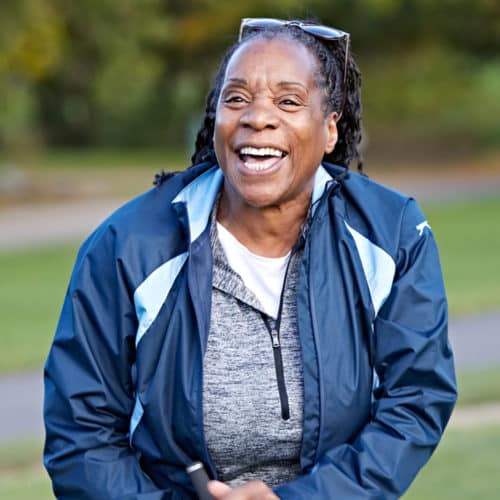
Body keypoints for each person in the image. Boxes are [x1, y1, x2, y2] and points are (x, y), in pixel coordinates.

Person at [43, 18, 457, 499]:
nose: (257, 117)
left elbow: (417, 398)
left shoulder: (391, 233)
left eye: (288, 101)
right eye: (236, 98)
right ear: (214, 118)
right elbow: (81, 435)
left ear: (329, 130)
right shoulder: (127, 246)